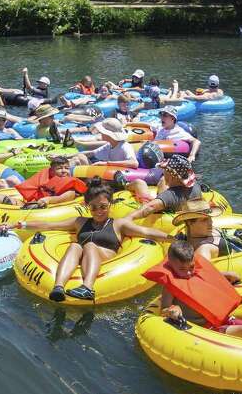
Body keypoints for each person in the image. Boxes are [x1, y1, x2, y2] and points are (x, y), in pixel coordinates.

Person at [13, 182, 169, 302]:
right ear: (88, 207)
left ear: (110, 205)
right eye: (93, 208)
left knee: (89, 244)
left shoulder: (119, 224)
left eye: (103, 207)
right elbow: (50, 225)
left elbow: (146, 232)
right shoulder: (80, 222)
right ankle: (58, 286)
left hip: (107, 257)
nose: (99, 211)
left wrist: (172, 238)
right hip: (82, 256)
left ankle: (87, 287)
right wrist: (24, 225)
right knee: (75, 245)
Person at [172, 198, 242, 262]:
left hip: (240, 238)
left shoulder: (198, 233)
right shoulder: (203, 249)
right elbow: (202, 271)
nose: (210, 222)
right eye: (204, 220)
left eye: (210, 218)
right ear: (189, 223)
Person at [126, 154, 202, 214]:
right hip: (177, 206)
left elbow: (149, 208)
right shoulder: (196, 186)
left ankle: (124, 184)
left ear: (171, 176)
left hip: (161, 210)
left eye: (165, 170)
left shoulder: (169, 195)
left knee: (139, 183)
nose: (163, 171)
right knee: (162, 180)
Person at [70, 118, 137, 168]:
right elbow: (91, 153)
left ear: (109, 135)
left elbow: (134, 163)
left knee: (79, 158)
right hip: (108, 171)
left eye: (103, 132)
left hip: (115, 175)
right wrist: (66, 156)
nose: (101, 133)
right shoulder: (109, 145)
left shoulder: (125, 146)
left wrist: (107, 164)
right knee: (79, 157)